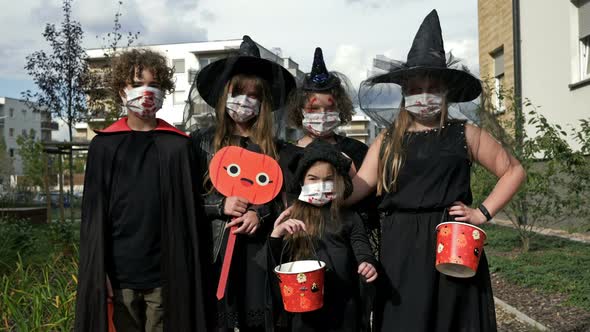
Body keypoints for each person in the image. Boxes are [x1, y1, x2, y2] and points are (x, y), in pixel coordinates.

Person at [342, 10, 526, 331]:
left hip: (453, 242)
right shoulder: (388, 140)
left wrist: (482, 212)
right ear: (404, 93)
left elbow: (513, 171)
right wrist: (321, 187)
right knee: (406, 320)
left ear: (446, 93)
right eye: (415, 87)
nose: (424, 95)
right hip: (400, 247)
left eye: (432, 87)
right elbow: (358, 187)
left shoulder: (465, 133)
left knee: (453, 320)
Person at [74, 49, 212, 331]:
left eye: (154, 85)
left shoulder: (179, 146)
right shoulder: (104, 146)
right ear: (121, 91)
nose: (146, 92)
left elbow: (191, 212)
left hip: (165, 274)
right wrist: (100, 271)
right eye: (137, 85)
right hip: (121, 274)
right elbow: (93, 217)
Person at [191, 35, 296, 332]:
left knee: (257, 317)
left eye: (254, 95)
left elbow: (284, 201)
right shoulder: (201, 143)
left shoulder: (277, 150)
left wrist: (258, 213)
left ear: (263, 103)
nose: (245, 102)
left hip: (258, 253)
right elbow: (184, 198)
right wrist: (219, 205)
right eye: (238, 92)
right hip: (215, 248)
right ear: (225, 95)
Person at [269, 139, 378, 332]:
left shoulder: (350, 217)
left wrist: (367, 263)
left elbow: (361, 246)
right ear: (302, 180)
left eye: (328, 179)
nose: (321, 185)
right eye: (313, 178)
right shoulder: (292, 217)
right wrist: (276, 234)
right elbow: (276, 262)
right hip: (304, 307)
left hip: (344, 303)